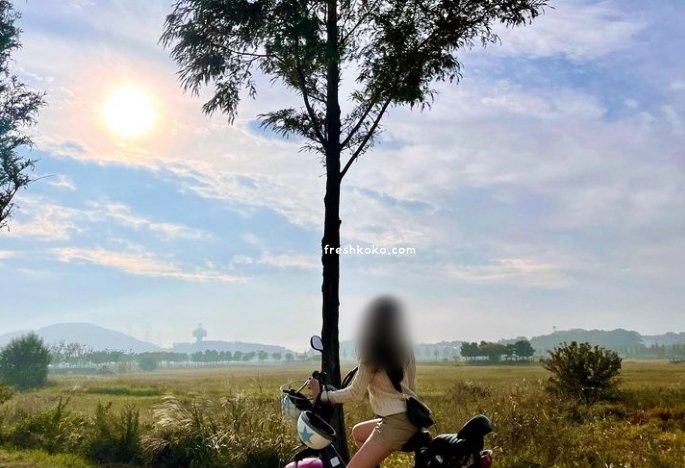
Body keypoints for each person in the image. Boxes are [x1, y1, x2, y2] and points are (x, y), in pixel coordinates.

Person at [309, 295, 419, 468]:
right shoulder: (404, 347)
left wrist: (323, 396)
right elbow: (410, 385)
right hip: (411, 418)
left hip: (395, 423)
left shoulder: (371, 353)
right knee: (358, 432)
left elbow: (355, 393)